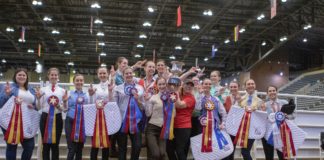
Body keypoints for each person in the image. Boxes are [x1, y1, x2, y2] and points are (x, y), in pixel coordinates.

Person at [0, 68, 37, 160]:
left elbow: (36, 105)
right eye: (19, 75)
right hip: (10, 120)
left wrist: (34, 106)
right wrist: (7, 94)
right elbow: (1, 103)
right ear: (15, 76)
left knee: (30, 146)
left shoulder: (31, 89)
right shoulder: (9, 87)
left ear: (27, 77)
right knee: (12, 146)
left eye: (24, 75)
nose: (21, 76)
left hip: (27, 121)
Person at [36, 67, 67, 160]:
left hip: (57, 117)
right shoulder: (42, 89)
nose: (54, 76)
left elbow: (64, 109)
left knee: (55, 144)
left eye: (55, 75)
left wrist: (60, 104)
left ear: (58, 76)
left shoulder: (62, 91)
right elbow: (39, 107)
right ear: (48, 76)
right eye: (52, 75)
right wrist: (38, 99)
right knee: (45, 144)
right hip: (45, 117)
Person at [114, 67, 144, 160]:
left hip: (136, 120)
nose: (129, 75)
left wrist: (137, 99)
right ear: (123, 76)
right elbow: (115, 104)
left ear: (133, 74)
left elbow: (142, 106)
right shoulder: (118, 88)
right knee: (122, 148)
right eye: (126, 73)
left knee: (137, 146)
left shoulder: (140, 88)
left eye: (130, 73)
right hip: (122, 121)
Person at [88, 67, 114, 160]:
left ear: (107, 74)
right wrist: (91, 95)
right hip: (96, 118)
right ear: (98, 75)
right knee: (94, 144)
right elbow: (91, 103)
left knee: (106, 144)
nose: (102, 75)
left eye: (104, 73)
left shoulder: (112, 85)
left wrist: (110, 91)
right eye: (100, 73)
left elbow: (113, 102)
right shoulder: (94, 87)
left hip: (108, 118)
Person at [166, 79, 196, 160]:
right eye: (187, 84)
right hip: (172, 125)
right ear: (182, 85)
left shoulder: (191, 98)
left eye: (191, 85)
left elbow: (179, 105)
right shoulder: (179, 94)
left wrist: (175, 91)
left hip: (184, 127)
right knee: (169, 149)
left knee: (179, 150)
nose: (189, 86)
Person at [236, 79, 264, 160]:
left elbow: (262, 115)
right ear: (245, 86)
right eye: (248, 84)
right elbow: (236, 111)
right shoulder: (240, 99)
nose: (251, 85)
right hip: (242, 128)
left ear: (255, 86)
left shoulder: (260, 101)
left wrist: (257, 110)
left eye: (252, 83)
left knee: (245, 151)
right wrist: (238, 102)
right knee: (244, 151)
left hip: (253, 128)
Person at [65, 74, 89, 160]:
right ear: (73, 82)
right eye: (77, 80)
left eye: (81, 80)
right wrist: (64, 101)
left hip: (82, 123)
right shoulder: (68, 93)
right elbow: (64, 109)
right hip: (70, 121)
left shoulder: (87, 95)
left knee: (79, 149)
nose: (79, 82)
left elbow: (89, 108)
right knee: (71, 148)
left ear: (83, 82)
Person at [144, 77, 169, 160]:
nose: (162, 86)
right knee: (156, 154)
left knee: (162, 153)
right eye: (160, 84)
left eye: (163, 84)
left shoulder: (171, 98)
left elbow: (174, 114)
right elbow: (148, 114)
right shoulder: (153, 97)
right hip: (152, 128)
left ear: (166, 85)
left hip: (164, 129)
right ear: (157, 86)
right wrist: (147, 101)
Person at [262, 85, 288, 160]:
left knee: (283, 156)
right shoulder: (264, 105)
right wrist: (263, 112)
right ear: (267, 93)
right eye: (270, 91)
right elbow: (261, 119)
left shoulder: (284, 103)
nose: (272, 92)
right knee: (269, 157)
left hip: (281, 133)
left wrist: (287, 115)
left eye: (273, 90)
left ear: (277, 92)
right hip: (268, 134)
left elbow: (294, 115)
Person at [223, 80, 241, 160]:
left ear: (238, 88)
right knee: (226, 146)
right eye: (231, 87)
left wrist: (239, 101)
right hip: (227, 126)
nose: (233, 88)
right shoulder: (225, 98)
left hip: (236, 127)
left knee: (233, 147)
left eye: (235, 87)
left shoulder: (242, 99)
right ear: (229, 88)